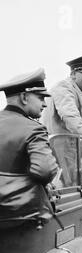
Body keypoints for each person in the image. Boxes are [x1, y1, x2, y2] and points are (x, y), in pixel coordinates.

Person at [0, 68, 58, 217]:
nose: (44, 104)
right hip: (16, 217)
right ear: (24, 97)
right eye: (40, 98)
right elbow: (45, 171)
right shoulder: (34, 129)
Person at [40, 55, 82, 186]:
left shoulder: (75, 91)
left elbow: (74, 124)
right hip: (58, 153)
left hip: (68, 152)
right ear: (73, 73)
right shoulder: (64, 88)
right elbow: (70, 117)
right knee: (65, 193)